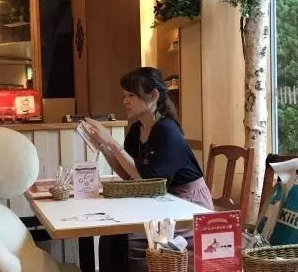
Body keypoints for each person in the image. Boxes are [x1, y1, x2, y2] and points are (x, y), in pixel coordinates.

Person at [83, 67, 212, 209]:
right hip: (162, 199)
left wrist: (111, 142)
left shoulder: (166, 129)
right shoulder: (136, 129)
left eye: (131, 95)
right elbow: (129, 173)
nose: (125, 101)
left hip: (189, 202)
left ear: (153, 95)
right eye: (124, 96)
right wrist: (102, 145)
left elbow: (146, 181)